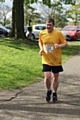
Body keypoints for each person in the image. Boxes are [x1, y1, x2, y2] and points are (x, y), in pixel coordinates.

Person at [39, 18, 68, 103]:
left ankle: (55, 92)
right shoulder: (42, 33)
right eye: (47, 25)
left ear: (53, 25)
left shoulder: (58, 33)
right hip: (46, 59)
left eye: (50, 25)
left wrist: (59, 46)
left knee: (55, 78)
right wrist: (41, 49)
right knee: (47, 78)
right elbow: (40, 42)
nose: (48, 27)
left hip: (56, 60)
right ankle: (49, 90)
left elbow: (65, 44)